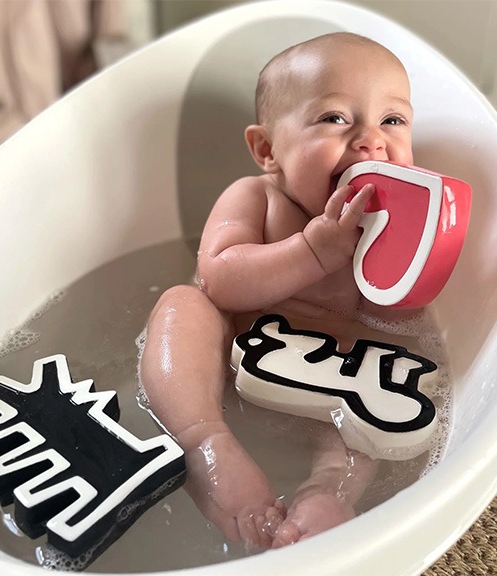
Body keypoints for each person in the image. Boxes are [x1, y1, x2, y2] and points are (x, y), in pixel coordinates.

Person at [138, 32, 418, 549]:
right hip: (228, 359)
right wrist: (313, 250)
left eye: (393, 120)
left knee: (368, 420)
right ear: (268, 150)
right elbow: (219, 277)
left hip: (329, 379)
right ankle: (204, 443)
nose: (371, 140)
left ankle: (328, 490)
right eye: (335, 117)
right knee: (184, 305)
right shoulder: (255, 196)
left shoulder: (385, 228)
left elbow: (403, 324)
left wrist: (417, 255)